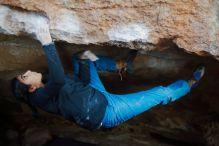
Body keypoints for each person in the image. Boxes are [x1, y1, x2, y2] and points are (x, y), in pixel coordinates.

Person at [11, 19, 205, 131]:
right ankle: (190, 83)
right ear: (31, 88)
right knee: (160, 93)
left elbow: (68, 80)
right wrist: (46, 41)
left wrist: (86, 67)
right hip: (108, 112)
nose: (27, 71)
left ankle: (121, 65)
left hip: (92, 91)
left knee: (83, 56)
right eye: (25, 76)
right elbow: (60, 79)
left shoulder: (44, 81)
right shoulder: (39, 98)